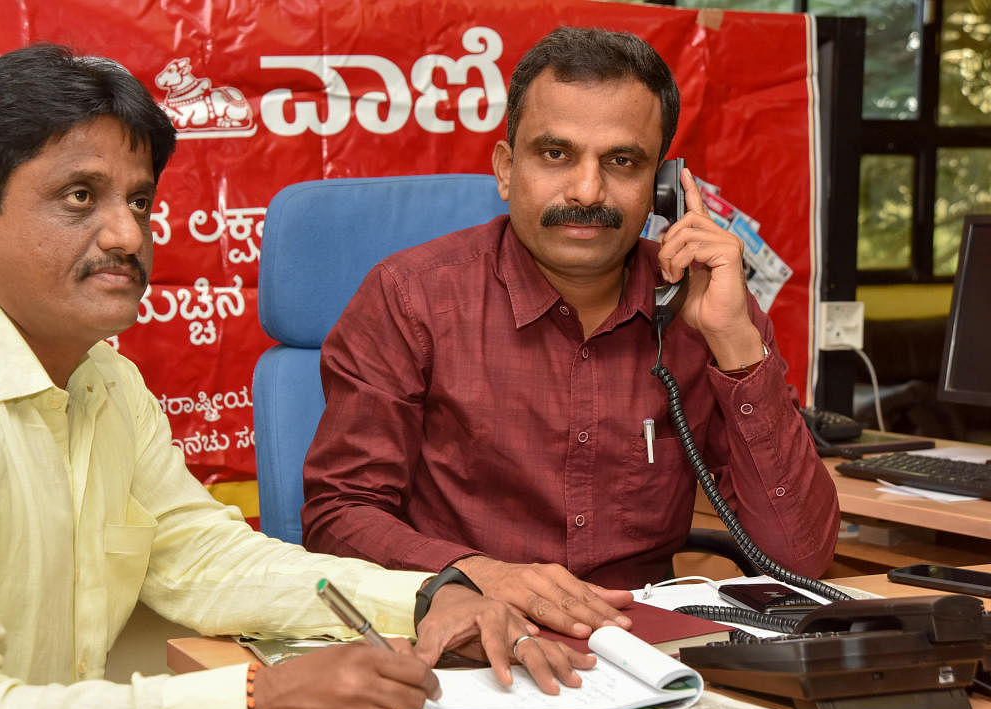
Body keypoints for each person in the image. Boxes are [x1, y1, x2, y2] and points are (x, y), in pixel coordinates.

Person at [0, 44, 590, 709]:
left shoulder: (102, 379)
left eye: (137, 200)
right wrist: (256, 704)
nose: (127, 236)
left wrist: (423, 597)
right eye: (80, 197)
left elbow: (202, 554)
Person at [301, 27, 840, 639]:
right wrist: (479, 574)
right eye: (555, 154)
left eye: (622, 161)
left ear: (663, 187)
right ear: (507, 170)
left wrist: (737, 345)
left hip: (647, 648)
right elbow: (340, 515)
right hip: (470, 636)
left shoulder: (702, 309)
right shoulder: (411, 298)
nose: (587, 191)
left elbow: (801, 560)